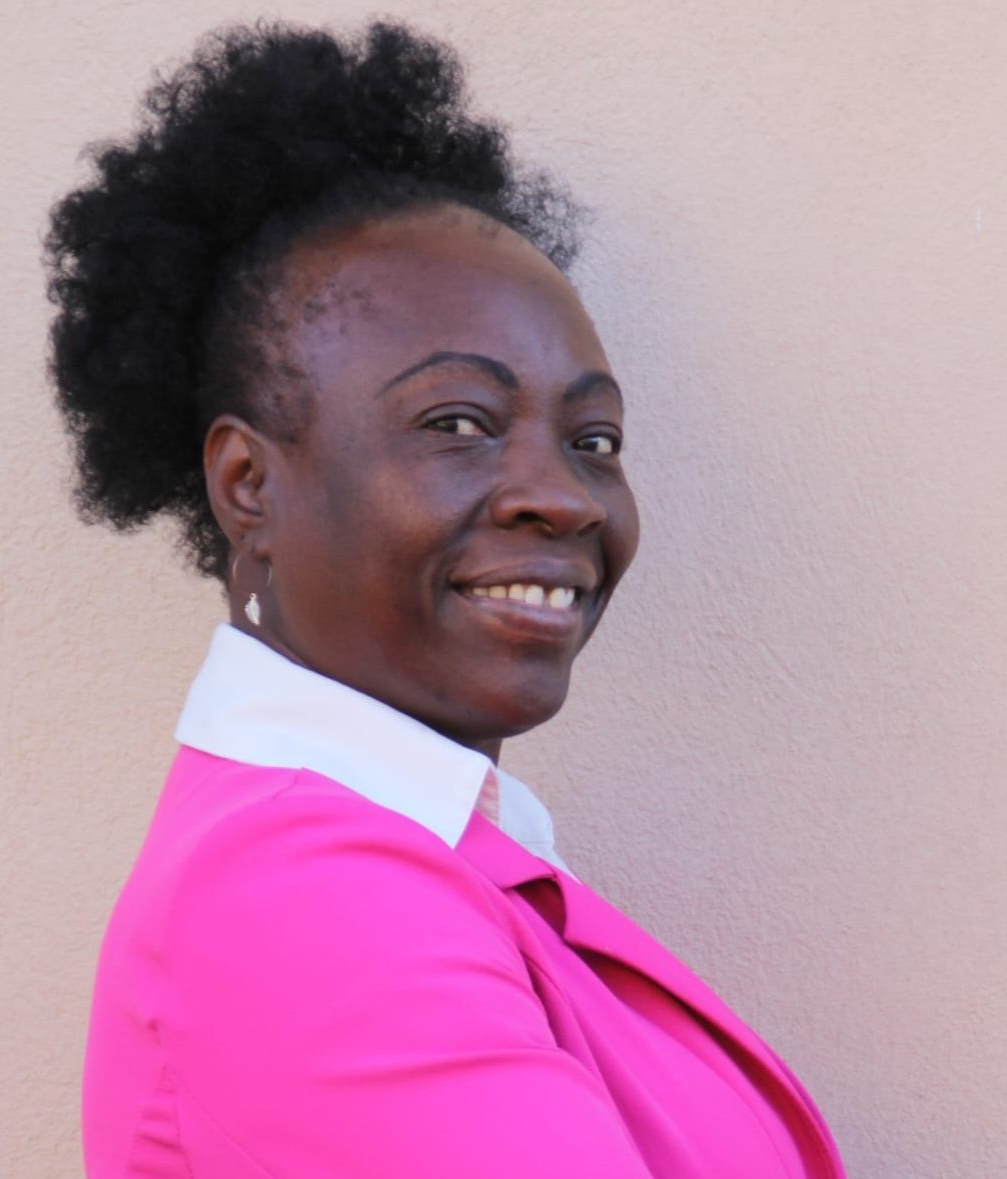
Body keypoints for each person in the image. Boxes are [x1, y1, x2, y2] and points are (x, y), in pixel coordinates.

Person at [46, 20, 847, 1179]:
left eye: (594, 438)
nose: (562, 497)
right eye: (458, 423)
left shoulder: (424, 854)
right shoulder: (303, 897)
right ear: (249, 484)